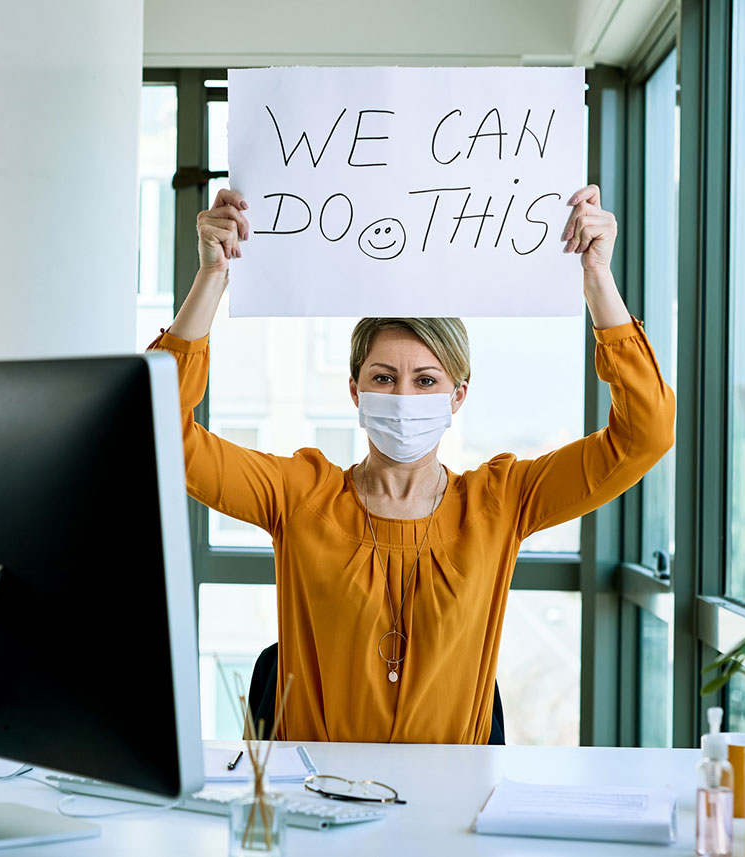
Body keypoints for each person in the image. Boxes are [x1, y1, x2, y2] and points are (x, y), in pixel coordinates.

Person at [147, 185, 675, 744]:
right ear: (354, 391)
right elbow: (155, 429)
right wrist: (211, 280)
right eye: (383, 378)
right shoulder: (299, 495)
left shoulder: (501, 502)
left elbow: (645, 433)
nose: (404, 396)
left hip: (451, 809)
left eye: (426, 380)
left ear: (458, 396)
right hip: (315, 804)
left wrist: (597, 281)